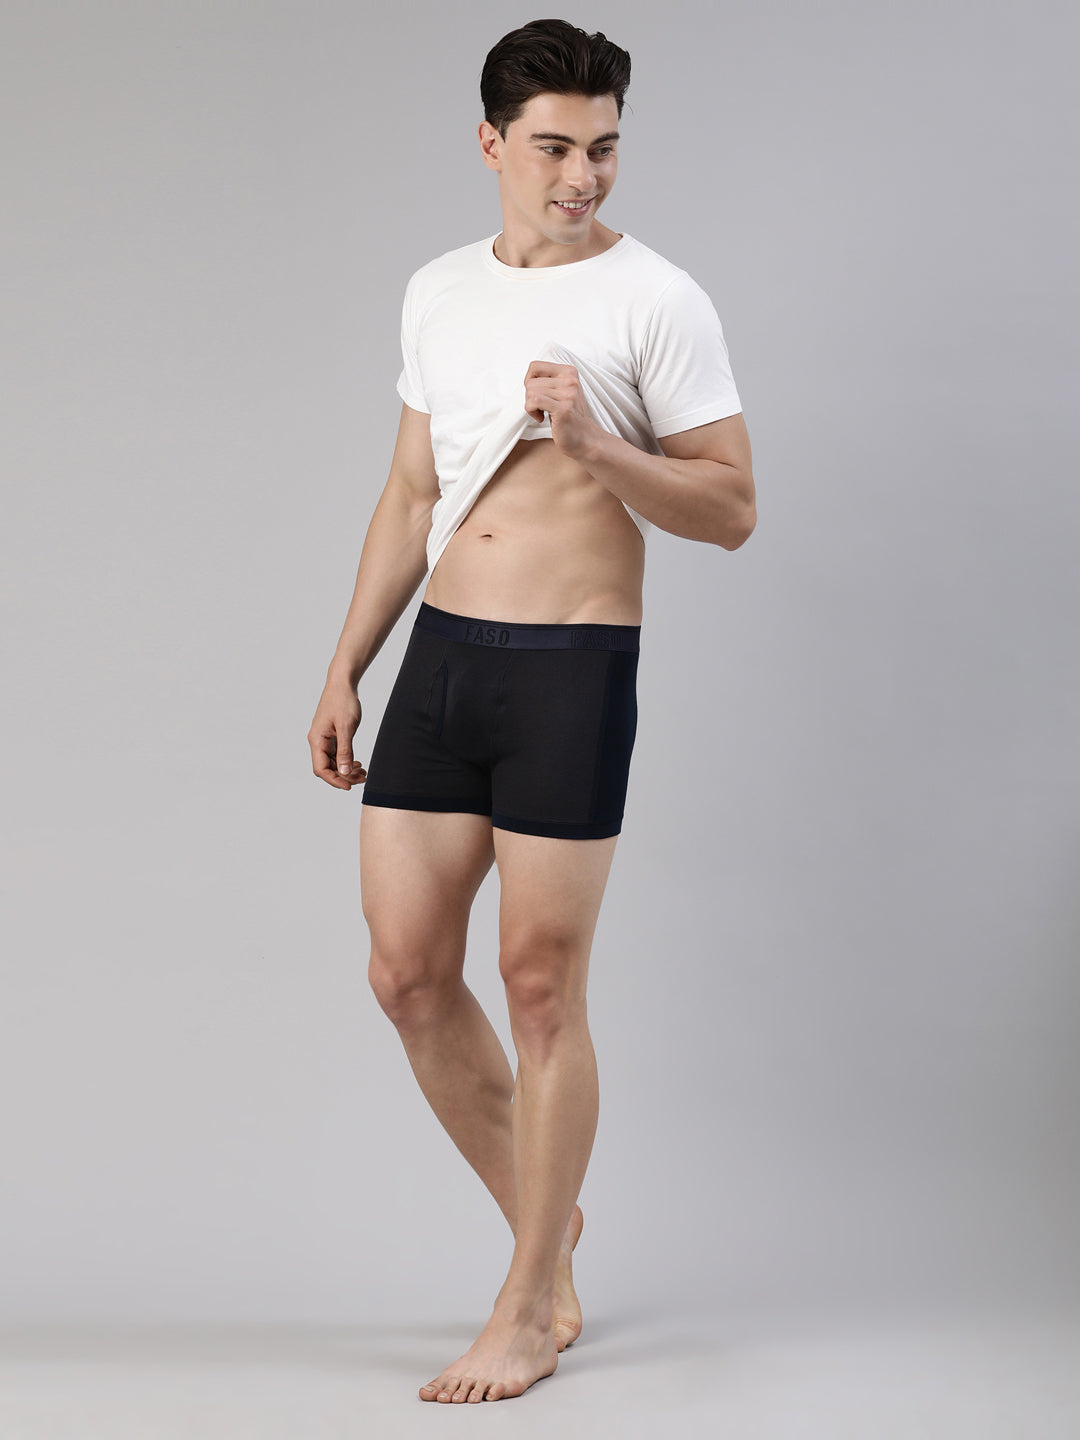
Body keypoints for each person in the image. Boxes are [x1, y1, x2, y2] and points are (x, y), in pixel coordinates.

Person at [307, 17, 755, 1404]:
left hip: (572, 668)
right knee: (405, 975)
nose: (583, 177)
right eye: (555, 148)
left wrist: (598, 444)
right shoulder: (438, 291)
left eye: (604, 148)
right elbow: (411, 494)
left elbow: (732, 509)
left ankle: (522, 1306)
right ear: (491, 143)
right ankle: (548, 1233)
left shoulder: (657, 299)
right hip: (444, 661)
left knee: (542, 988)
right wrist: (347, 663)